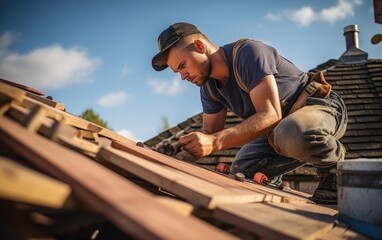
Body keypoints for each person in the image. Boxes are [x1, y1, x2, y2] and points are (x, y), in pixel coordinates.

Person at [151, 22, 348, 204]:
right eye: (177, 72)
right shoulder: (209, 89)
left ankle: (335, 171)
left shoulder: (247, 53)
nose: (182, 77)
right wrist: (176, 152)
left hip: (319, 107)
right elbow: (209, 136)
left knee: (291, 132)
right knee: (242, 169)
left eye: (182, 66)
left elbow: (271, 114)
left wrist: (215, 142)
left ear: (200, 47)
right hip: (280, 132)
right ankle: (272, 181)